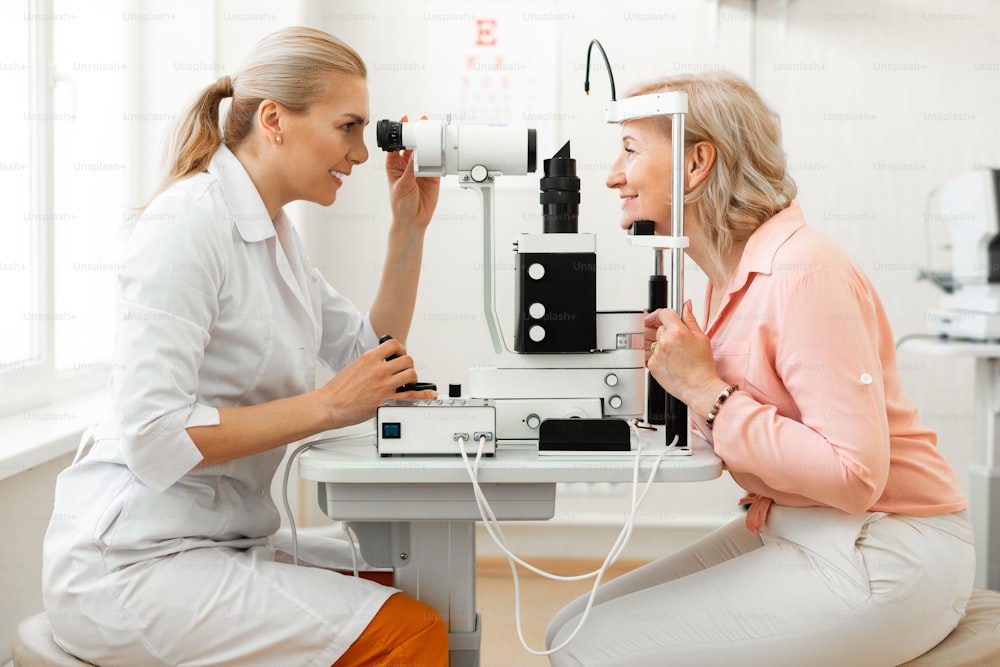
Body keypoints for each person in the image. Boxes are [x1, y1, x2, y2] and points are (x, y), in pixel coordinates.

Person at [41, 26, 448, 666]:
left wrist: (407, 227)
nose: (362, 154)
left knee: (419, 582)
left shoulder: (274, 233)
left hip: (213, 537)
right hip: (132, 560)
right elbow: (152, 432)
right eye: (348, 127)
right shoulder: (187, 224)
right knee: (410, 632)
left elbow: (371, 355)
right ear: (273, 120)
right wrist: (328, 408)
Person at [545, 71, 974, 666]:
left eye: (630, 150)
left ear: (696, 164)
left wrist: (709, 393)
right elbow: (732, 433)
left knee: (588, 649)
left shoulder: (802, 271)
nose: (613, 175)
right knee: (565, 628)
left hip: (886, 549)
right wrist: (671, 387)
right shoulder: (727, 280)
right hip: (795, 526)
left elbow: (853, 476)